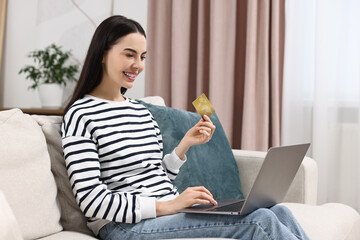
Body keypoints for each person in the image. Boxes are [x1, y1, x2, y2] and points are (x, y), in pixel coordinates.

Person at [61, 15, 309, 240]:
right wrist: (170, 205)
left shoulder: (139, 110)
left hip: (164, 211)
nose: (138, 64)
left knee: (278, 211)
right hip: (124, 225)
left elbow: (154, 176)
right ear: (102, 54)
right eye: (129, 54)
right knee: (259, 221)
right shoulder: (81, 115)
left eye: (143, 56)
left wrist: (184, 146)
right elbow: (91, 200)